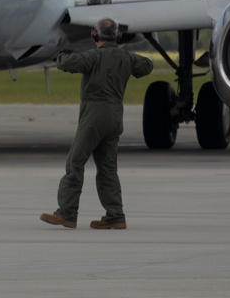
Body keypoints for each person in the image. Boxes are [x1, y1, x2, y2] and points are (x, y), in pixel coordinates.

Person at [40, 18, 154, 230]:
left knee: (75, 161)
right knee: (108, 167)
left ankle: (67, 212)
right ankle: (115, 215)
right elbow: (147, 66)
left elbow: (66, 64)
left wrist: (62, 54)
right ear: (118, 37)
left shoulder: (93, 56)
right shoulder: (126, 57)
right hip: (115, 116)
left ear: (95, 36)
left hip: (95, 115)